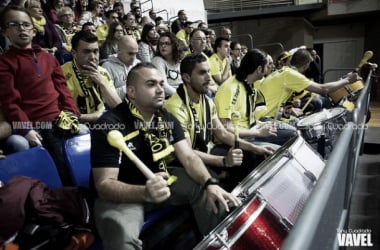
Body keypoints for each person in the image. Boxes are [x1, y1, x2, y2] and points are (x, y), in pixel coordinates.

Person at [91, 62, 241, 250]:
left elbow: (188, 157)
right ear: (132, 92)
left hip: (162, 180)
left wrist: (210, 183)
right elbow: (104, 185)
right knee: (122, 238)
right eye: (151, 84)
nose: (160, 90)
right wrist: (145, 192)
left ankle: (218, 245)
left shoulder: (166, 117)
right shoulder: (109, 124)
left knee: (207, 187)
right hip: (122, 193)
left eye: (162, 84)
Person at [165, 54, 275, 190]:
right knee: (218, 177)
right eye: (202, 73)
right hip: (182, 161)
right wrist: (224, 161)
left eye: (209, 72)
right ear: (187, 77)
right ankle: (230, 203)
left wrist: (254, 147)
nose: (209, 78)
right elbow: (188, 153)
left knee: (251, 156)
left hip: (206, 150)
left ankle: (243, 196)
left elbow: (222, 133)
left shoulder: (206, 101)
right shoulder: (174, 107)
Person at [0, 6, 80, 185]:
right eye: (14, 24)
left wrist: (72, 114)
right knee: (59, 162)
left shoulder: (49, 58)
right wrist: (26, 129)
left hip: (60, 119)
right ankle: (68, 196)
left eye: (26, 25)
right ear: (5, 31)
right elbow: (10, 103)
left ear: (33, 30)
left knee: (86, 136)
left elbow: (63, 91)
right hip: (37, 124)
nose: (22, 29)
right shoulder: (5, 63)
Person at [215, 49, 297, 146]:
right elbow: (227, 128)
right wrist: (258, 132)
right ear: (259, 69)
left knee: (293, 131)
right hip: (237, 140)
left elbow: (248, 120)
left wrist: (262, 125)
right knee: (290, 136)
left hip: (251, 131)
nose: (268, 69)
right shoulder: (229, 89)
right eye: (266, 66)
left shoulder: (248, 85)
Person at [255, 48, 360, 120]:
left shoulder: (285, 71)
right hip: (265, 118)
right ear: (306, 65)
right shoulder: (290, 74)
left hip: (267, 114)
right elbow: (323, 89)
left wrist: (289, 109)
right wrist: (347, 80)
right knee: (298, 131)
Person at [61, 30, 122, 123]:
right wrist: (90, 117)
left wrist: (102, 83)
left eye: (96, 51)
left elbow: (118, 106)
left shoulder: (102, 72)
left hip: (101, 122)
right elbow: (59, 114)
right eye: (87, 52)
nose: (93, 57)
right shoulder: (62, 73)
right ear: (74, 53)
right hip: (75, 125)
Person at [102, 35, 140, 99]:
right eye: (130, 53)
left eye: (135, 53)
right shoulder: (107, 67)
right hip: (119, 107)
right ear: (118, 51)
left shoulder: (138, 63)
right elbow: (107, 96)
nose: (133, 57)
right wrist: (133, 88)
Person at [151, 32, 182, 98]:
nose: (163, 46)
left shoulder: (180, 62)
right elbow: (164, 86)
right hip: (168, 98)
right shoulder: (157, 60)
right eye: (161, 44)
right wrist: (182, 96)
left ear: (174, 45)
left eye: (167, 43)